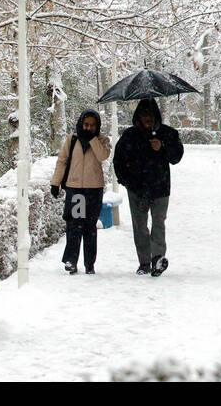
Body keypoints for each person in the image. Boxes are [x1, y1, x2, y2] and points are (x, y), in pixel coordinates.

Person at [114, 97, 184, 276]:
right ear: (138, 116)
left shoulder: (167, 134)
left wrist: (163, 147)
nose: (149, 119)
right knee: (140, 226)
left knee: (159, 223)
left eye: (152, 115)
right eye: (145, 115)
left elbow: (176, 157)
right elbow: (119, 160)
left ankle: (158, 259)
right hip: (137, 188)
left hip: (160, 188)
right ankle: (144, 262)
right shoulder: (129, 136)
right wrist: (127, 181)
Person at [51, 109, 111, 275]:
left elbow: (102, 156)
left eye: (92, 125)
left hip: (93, 189)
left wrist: (93, 139)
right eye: (86, 124)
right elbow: (62, 161)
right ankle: (71, 260)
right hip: (76, 189)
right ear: (80, 124)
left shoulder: (102, 140)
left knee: (89, 227)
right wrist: (55, 183)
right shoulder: (73, 139)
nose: (88, 128)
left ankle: (89, 263)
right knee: (75, 225)